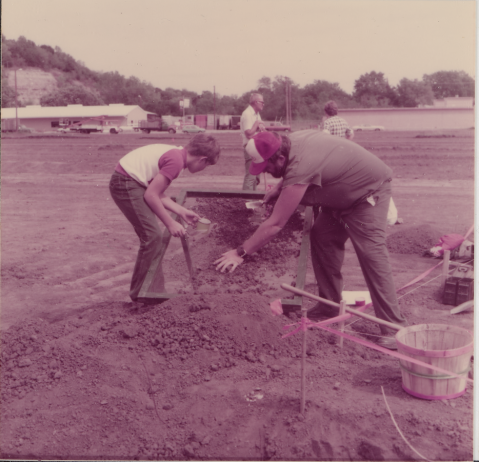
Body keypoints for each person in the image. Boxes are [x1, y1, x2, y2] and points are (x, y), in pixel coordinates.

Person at [215, 130, 406, 349]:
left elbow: (276, 223)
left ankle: (394, 328)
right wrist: (280, 187)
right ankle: (329, 306)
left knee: (372, 254)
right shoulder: (289, 144)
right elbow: (296, 170)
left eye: (266, 166)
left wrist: (240, 252)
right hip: (340, 197)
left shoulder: (300, 166)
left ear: (280, 158)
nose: (264, 172)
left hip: (367, 194)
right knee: (322, 236)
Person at [110, 134, 220, 301]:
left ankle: (154, 291)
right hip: (125, 183)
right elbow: (151, 195)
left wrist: (181, 211)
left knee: (153, 237)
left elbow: (156, 192)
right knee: (152, 236)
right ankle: (142, 295)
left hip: (132, 181)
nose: (204, 168)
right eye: (207, 165)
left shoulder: (178, 155)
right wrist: (170, 223)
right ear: (202, 159)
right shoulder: (176, 162)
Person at [240, 93, 266, 190]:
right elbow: (249, 133)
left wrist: (261, 128)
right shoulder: (247, 114)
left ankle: (252, 198)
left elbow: (259, 130)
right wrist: (256, 124)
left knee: (256, 178)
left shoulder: (256, 114)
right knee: (251, 176)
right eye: (262, 102)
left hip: (257, 148)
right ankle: (246, 201)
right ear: (256, 102)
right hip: (250, 147)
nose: (263, 104)